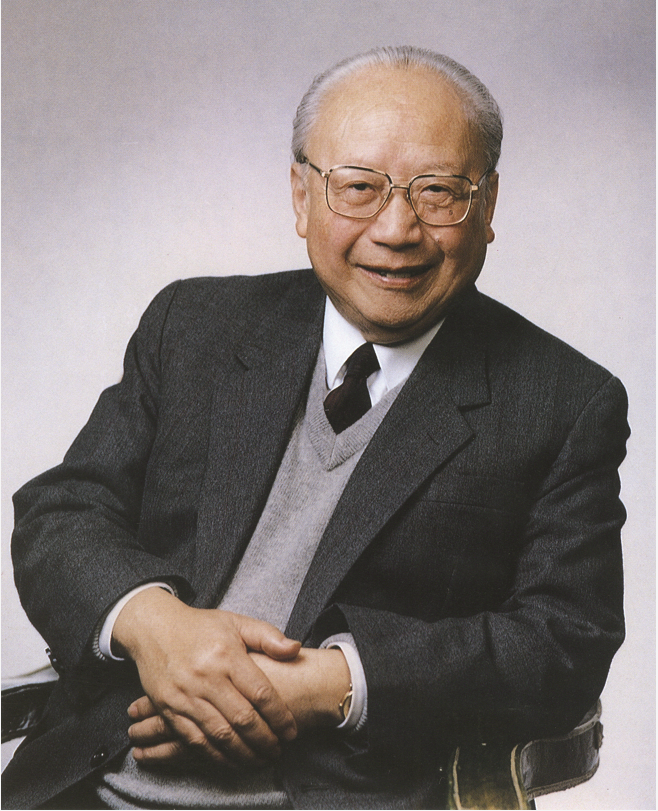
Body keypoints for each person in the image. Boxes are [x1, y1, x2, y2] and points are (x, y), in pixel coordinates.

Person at [3, 46, 628, 810]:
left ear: (488, 204)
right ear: (301, 196)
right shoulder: (195, 324)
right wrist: (153, 623)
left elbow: (565, 640)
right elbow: (62, 510)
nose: (396, 229)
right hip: (93, 784)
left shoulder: (564, 400)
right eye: (359, 187)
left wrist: (338, 684)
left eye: (438, 191)